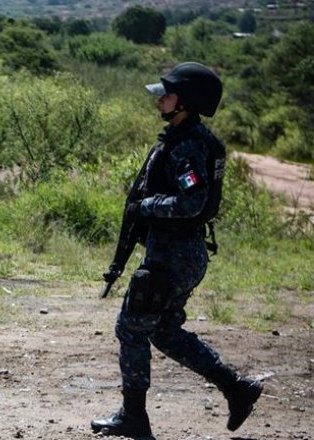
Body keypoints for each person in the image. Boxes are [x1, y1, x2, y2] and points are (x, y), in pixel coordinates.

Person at [91, 62, 263, 437]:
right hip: (179, 254)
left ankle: (134, 418)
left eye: (166, 95)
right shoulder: (183, 137)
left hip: (173, 256)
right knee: (165, 331)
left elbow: (194, 202)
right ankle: (237, 388)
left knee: (131, 329)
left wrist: (147, 207)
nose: (159, 101)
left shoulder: (187, 145)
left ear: (185, 103)